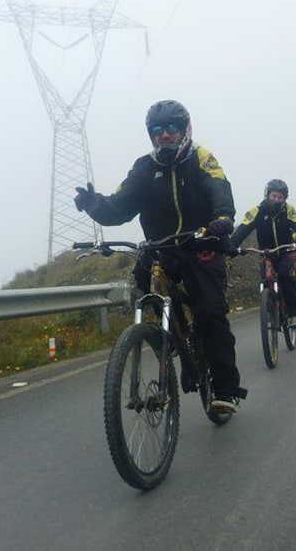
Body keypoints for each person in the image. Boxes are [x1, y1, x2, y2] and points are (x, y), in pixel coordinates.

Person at [73, 100, 245, 413]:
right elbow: (120, 207)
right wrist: (94, 204)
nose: (163, 135)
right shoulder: (143, 167)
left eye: (171, 129)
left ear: (185, 130)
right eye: (156, 131)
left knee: (210, 312)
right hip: (160, 248)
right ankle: (170, 334)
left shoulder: (202, 158)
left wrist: (221, 219)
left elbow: (219, 189)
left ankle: (225, 388)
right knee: (143, 279)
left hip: (200, 245)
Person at [231, 179, 296, 328]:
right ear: (267, 195)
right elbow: (243, 228)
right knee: (265, 279)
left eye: (280, 197)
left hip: (287, 251)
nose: (277, 200)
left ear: (284, 199)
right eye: (274, 196)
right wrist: (232, 246)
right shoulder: (256, 211)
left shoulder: (289, 210)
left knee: (283, 275)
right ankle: (269, 310)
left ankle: (295, 314)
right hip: (266, 253)